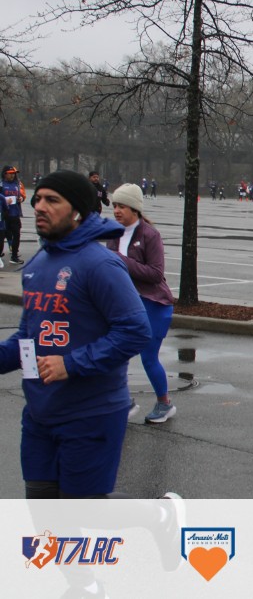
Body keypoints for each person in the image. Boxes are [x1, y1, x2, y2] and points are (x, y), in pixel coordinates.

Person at [0, 171, 151, 497]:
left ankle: (161, 513)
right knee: (43, 513)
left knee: (82, 513)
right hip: (39, 416)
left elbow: (136, 331)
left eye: (52, 200)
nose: (39, 206)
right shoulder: (38, 263)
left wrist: (70, 364)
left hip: (90, 415)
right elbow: (28, 337)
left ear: (78, 211)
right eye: (38, 199)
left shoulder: (100, 264)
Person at [106, 183, 177, 424]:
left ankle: (165, 403)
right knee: (116, 354)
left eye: (122, 206)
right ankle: (123, 401)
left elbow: (156, 274)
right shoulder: (114, 234)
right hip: (126, 304)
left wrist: (121, 260)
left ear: (135, 209)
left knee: (148, 357)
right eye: (115, 205)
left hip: (154, 304)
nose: (116, 210)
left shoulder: (149, 235)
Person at [2, 165, 26, 263]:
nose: (12, 175)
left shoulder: (17, 184)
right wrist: (5, 201)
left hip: (15, 214)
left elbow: (22, 195)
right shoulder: (1, 184)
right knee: (2, 236)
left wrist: (21, 199)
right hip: (4, 215)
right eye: (10, 173)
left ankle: (14, 256)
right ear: (5, 174)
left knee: (17, 235)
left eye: (14, 174)